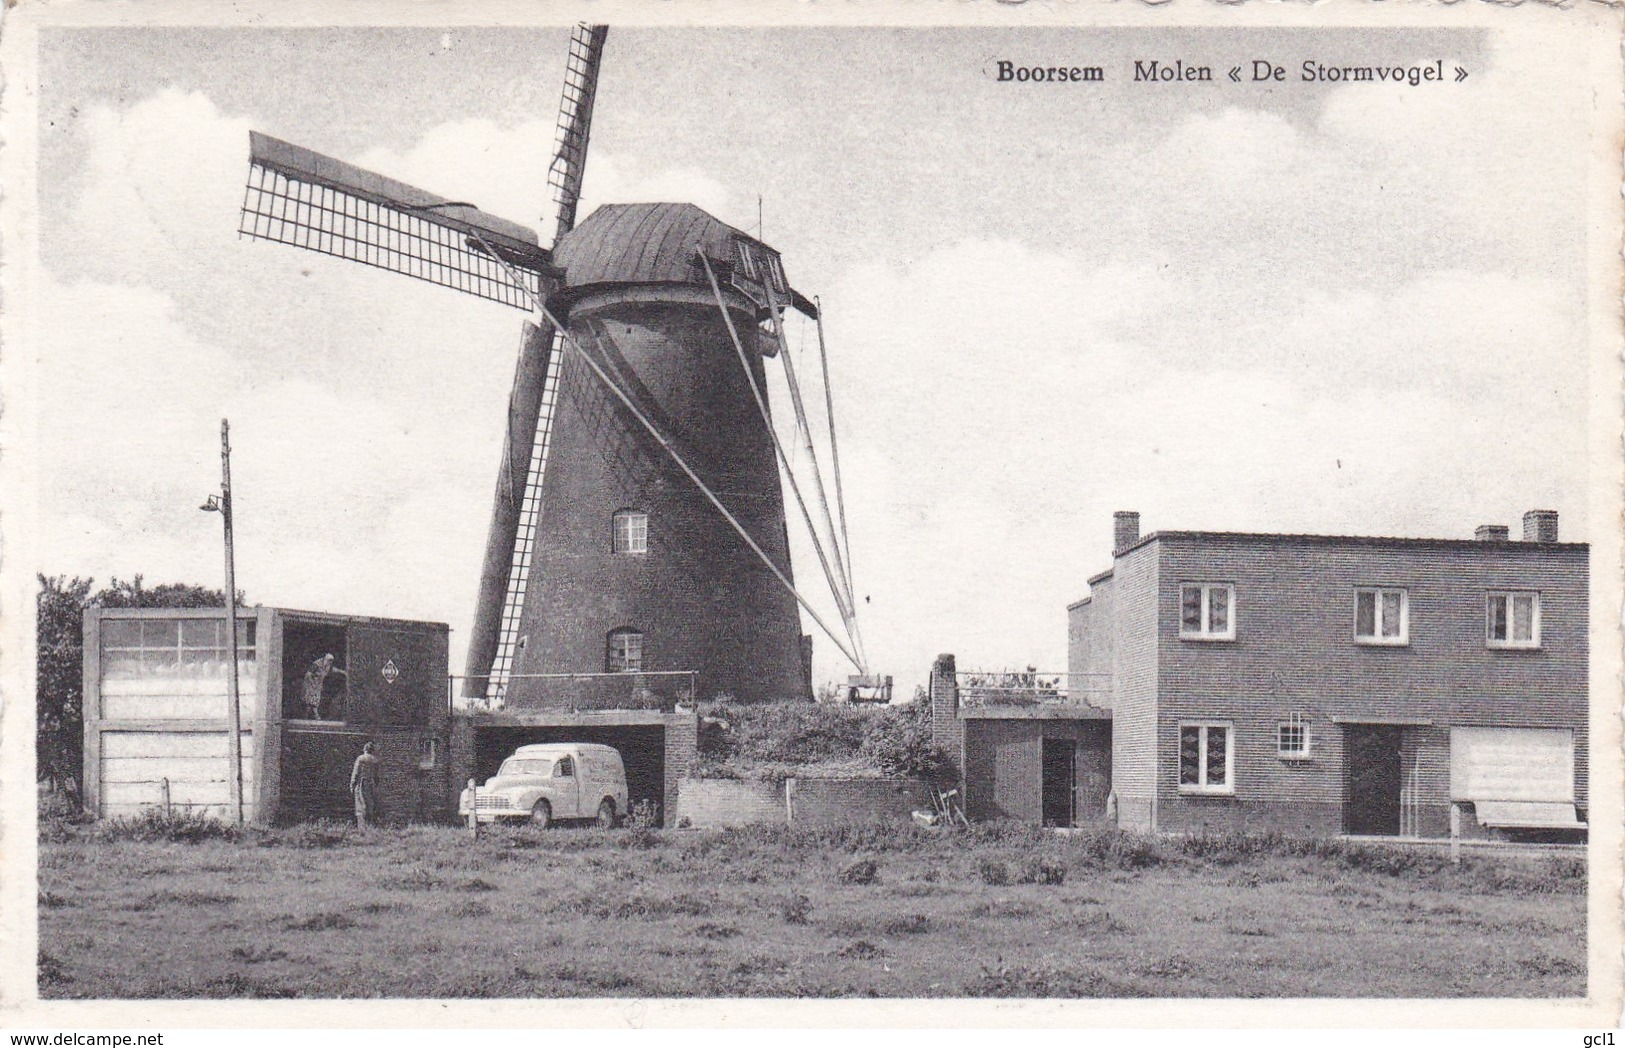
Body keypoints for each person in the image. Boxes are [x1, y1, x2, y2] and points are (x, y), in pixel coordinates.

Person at [301, 653, 345, 720]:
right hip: (311, 684)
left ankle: (307, 716)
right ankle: (316, 716)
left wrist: (342, 672)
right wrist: (312, 683)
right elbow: (308, 674)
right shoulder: (317, 664)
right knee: (310, 700)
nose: (330, 662)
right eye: (329, 660)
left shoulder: (328, 666)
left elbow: (333, 669)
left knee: (313, 700)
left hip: (318, 684)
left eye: (331, 661)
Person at [350, 741, 381, 829]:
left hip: (362, 784)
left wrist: (352, 785)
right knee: (371, 805)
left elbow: (356, 773)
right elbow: (377, 776)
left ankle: (362, 828)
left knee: (360, 806)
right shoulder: (375, 760)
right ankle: (370, 827)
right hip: (372, 784)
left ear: (365, 749)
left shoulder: (361, 759)